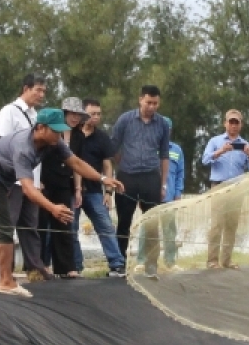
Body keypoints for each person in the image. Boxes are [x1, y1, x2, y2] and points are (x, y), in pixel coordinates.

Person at [0, 108, 123, 297]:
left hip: (2, 179)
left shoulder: (55, 142)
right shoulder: (24, 147)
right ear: (40, 128)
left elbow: (76, 163)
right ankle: (5, 281)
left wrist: (102, 179)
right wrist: (52, 207)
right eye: (54, 130)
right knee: (4, 228)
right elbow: (28, 189)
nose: (58, 134)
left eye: (59, 130)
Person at [0, 73, 52, 280]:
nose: (41, 94)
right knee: (7, 224)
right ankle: (3, 269)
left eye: (44, 91)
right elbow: (4, 145)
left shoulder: (37, 116)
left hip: (32, 181)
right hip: (14, 179)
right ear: (26, 89)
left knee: (30, 225)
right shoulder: (9, 112)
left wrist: (38, 180)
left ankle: (34, 268)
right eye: (38, 90)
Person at [110, 85, 171, 259]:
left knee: (151, 221)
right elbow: (113, 145)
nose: (152, 107)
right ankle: (119, 262)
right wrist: (120, 161)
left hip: (151, 176)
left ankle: (150, 264)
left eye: (155, 103)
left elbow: (164, 154)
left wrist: (163, 183)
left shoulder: (162, 124)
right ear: (140, 100)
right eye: (148, 102)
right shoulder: (125, 120)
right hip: (127, 176)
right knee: (124, 221)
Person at [67, 97, 126, 277]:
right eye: (92, 114)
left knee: (106, 225)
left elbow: (107, 165)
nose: (96, 117)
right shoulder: (71, 135)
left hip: (94, 190)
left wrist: (108, 192)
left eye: (99, 114)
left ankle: (116, 264)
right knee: (71, 228)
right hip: (71, 190)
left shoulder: (101, 137)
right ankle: (75, 267)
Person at [39, 97, 92, 276]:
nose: (75, 118)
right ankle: (40, 265)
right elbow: (39, 158)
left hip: (64, 182)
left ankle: (66, 267)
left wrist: (78, 189)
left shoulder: (79, 136)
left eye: (78, 115)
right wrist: (37, 180)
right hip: (45, 180)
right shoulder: (51, 131)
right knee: (42, 224)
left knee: (65, 222)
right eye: (72, 114)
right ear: (64, 114)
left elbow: (77, 163)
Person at [201, 109, 249, 269]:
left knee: (232, 225)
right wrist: (220, 151)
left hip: (236, 188)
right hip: (219, 186)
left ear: (241, 125)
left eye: (236, 122)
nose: (233, 125)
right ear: (225, 123)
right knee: (217, 224)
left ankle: (226, 260)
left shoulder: (245, 144)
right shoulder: (215, 141)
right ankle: (212, 261)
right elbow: (205, 160)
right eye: (231, 122)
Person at [136, 120, 183, 273]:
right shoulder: (149, 148)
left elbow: (180, 173)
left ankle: (170, 262)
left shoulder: (176, 150)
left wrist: (178, 192)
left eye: (167, 129)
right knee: (147, 229)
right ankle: (141, 261)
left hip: (169, 198)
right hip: (149, 197)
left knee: (170, 230)